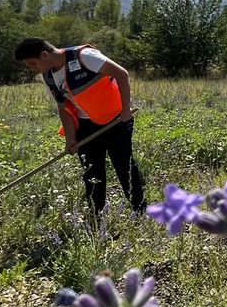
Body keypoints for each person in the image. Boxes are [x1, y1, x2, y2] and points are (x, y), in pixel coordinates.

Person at [14, 37, 144, 214]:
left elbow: (122, 74)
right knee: (91, 170)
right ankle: (96, 216)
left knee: (124, 165)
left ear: (44, 54)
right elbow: (63, 107)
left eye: (32, 64)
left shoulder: (84, 56)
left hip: (116, 120)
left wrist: (126, 110)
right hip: (86, 124)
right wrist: (71, 138)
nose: (33, 69)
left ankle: (140, 209)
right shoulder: (49, 76)